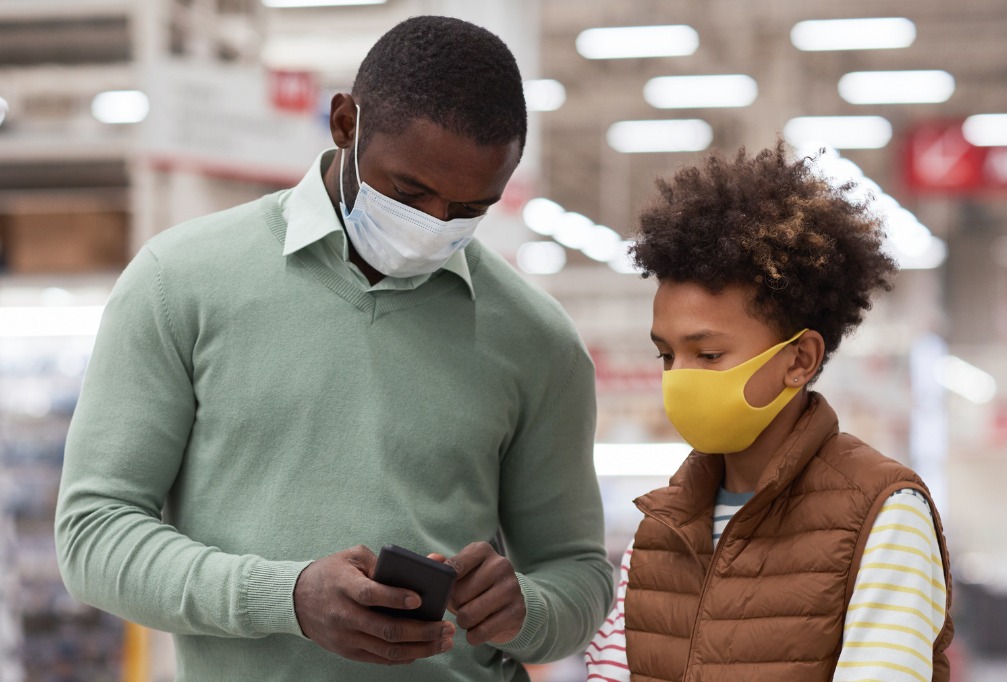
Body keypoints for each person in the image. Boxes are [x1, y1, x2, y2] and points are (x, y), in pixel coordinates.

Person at [55, 15, 613, 681]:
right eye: (408, 192)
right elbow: (94, 536)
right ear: (345, 122)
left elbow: (579, 574)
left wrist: (530, 608)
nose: (433, 227)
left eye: (469, 210)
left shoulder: (536, 342)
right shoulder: (180, 282)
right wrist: (287, 596)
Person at [585, 143, 954, 682]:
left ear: (799, 360)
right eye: (666, 355)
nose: (679, 376)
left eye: (708, 355)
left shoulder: (884, 514)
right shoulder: (659, 528)